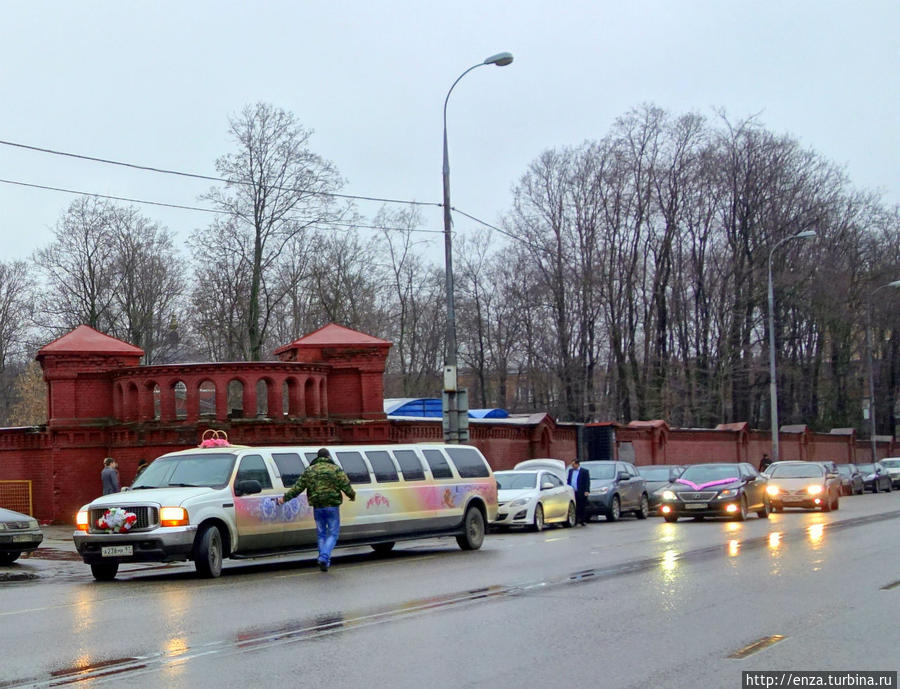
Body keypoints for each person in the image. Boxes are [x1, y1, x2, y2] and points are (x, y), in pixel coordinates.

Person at [276, 448, 355, 571]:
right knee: (333, 533)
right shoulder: (336, 469)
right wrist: (352, 496)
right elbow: (345, 485)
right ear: (328, 457)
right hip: (332, 506)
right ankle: (324, 557)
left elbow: (298, 488)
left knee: (321, 533)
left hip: (317, 506)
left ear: (317, 457)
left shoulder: (310, 471)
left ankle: (324, 561)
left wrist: (284, 499)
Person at [566, 458, 590, 525]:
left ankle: (582, 520)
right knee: (574, 506)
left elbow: (587, 482)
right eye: (572, 465)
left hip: (581, 491)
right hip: (573, 492)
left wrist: (587, 490)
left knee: (581, 506)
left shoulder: (584, 471)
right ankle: (575, 520)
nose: (572, 466)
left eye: (573, 464)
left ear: (577, 464)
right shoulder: (570, 471)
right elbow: (569, 480)